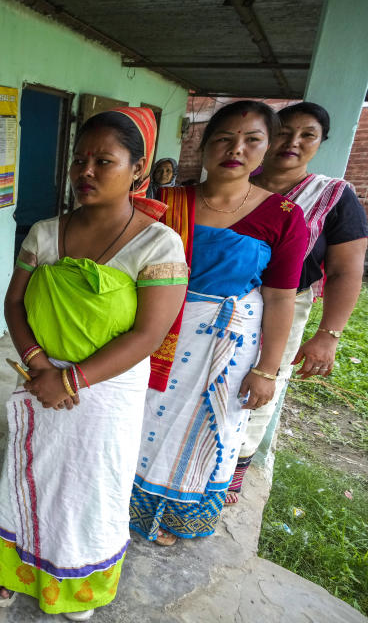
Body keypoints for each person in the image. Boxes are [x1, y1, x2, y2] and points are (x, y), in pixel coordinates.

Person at [0, 108, 188, 621]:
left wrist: (71, 378)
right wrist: (39, 366)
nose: (86, 172)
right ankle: (16, 568)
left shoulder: (158, 244)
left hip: (107, 388)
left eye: (105, 161)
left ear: (138, 170)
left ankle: (78, 584)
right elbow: (14, 303)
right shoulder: (45, 233)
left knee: (91, 484)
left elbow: (149, 333)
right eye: (80, 160)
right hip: (38, 378)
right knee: (28, 472)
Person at [130, 101, 308, 546]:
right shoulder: (167, 203)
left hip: (225, 345)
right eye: (225, 138)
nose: (237, 149)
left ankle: (176, 515)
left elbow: (281, 298)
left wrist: (268, 369)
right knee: (140, 415)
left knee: (204, 428)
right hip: (154, 328)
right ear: (205, 146)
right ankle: (123, 500)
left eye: (252, 140)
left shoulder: (284, 217)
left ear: (266, 149)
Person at [227, 102, 368, 500]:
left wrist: (329, 335)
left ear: (321, 143)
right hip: (220, 298)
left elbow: (346, 271)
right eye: (285, 131)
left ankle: (235, 466)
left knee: (263, 377)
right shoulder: (237, 180)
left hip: (285, 303)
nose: (293, 142)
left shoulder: (334, 197)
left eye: (308, 134)